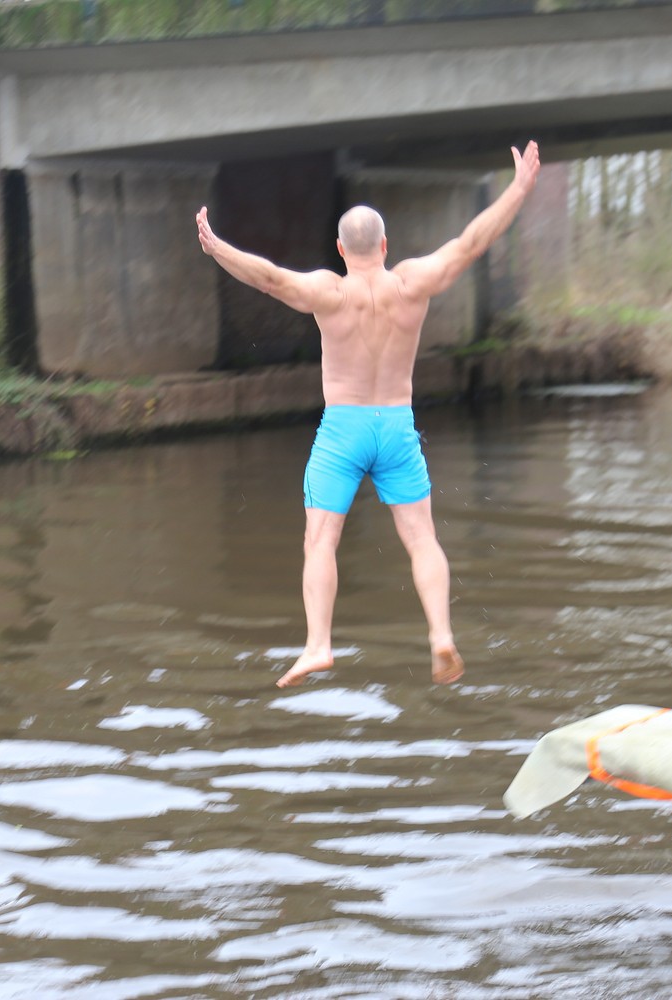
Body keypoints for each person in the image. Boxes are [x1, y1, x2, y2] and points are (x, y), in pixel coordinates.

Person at [197, 142, 542, 689]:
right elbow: (471, 243)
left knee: (321, 540)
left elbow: (270, 278)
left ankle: (318, 645)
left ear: (340, 248)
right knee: (422, 538)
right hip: (396, 426)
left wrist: (218, 248)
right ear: (385, 245)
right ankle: (440, 635)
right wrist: (518, 189)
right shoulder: (411, 282)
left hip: (344, 428)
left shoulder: (329, 292)